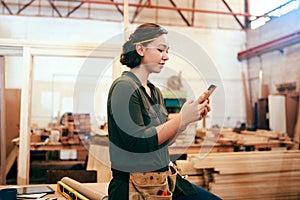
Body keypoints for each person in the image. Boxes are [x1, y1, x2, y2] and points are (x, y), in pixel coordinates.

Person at [107, 23, 221, 200]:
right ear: (140, 49)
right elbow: (138, 142)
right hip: (134, 187)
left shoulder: (156, 92)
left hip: (162, 181)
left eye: (167, 51)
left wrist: (185, 122)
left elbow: (161, 142)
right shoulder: (124, 87)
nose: (166, 57)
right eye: (161, 50)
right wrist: (182, 117)